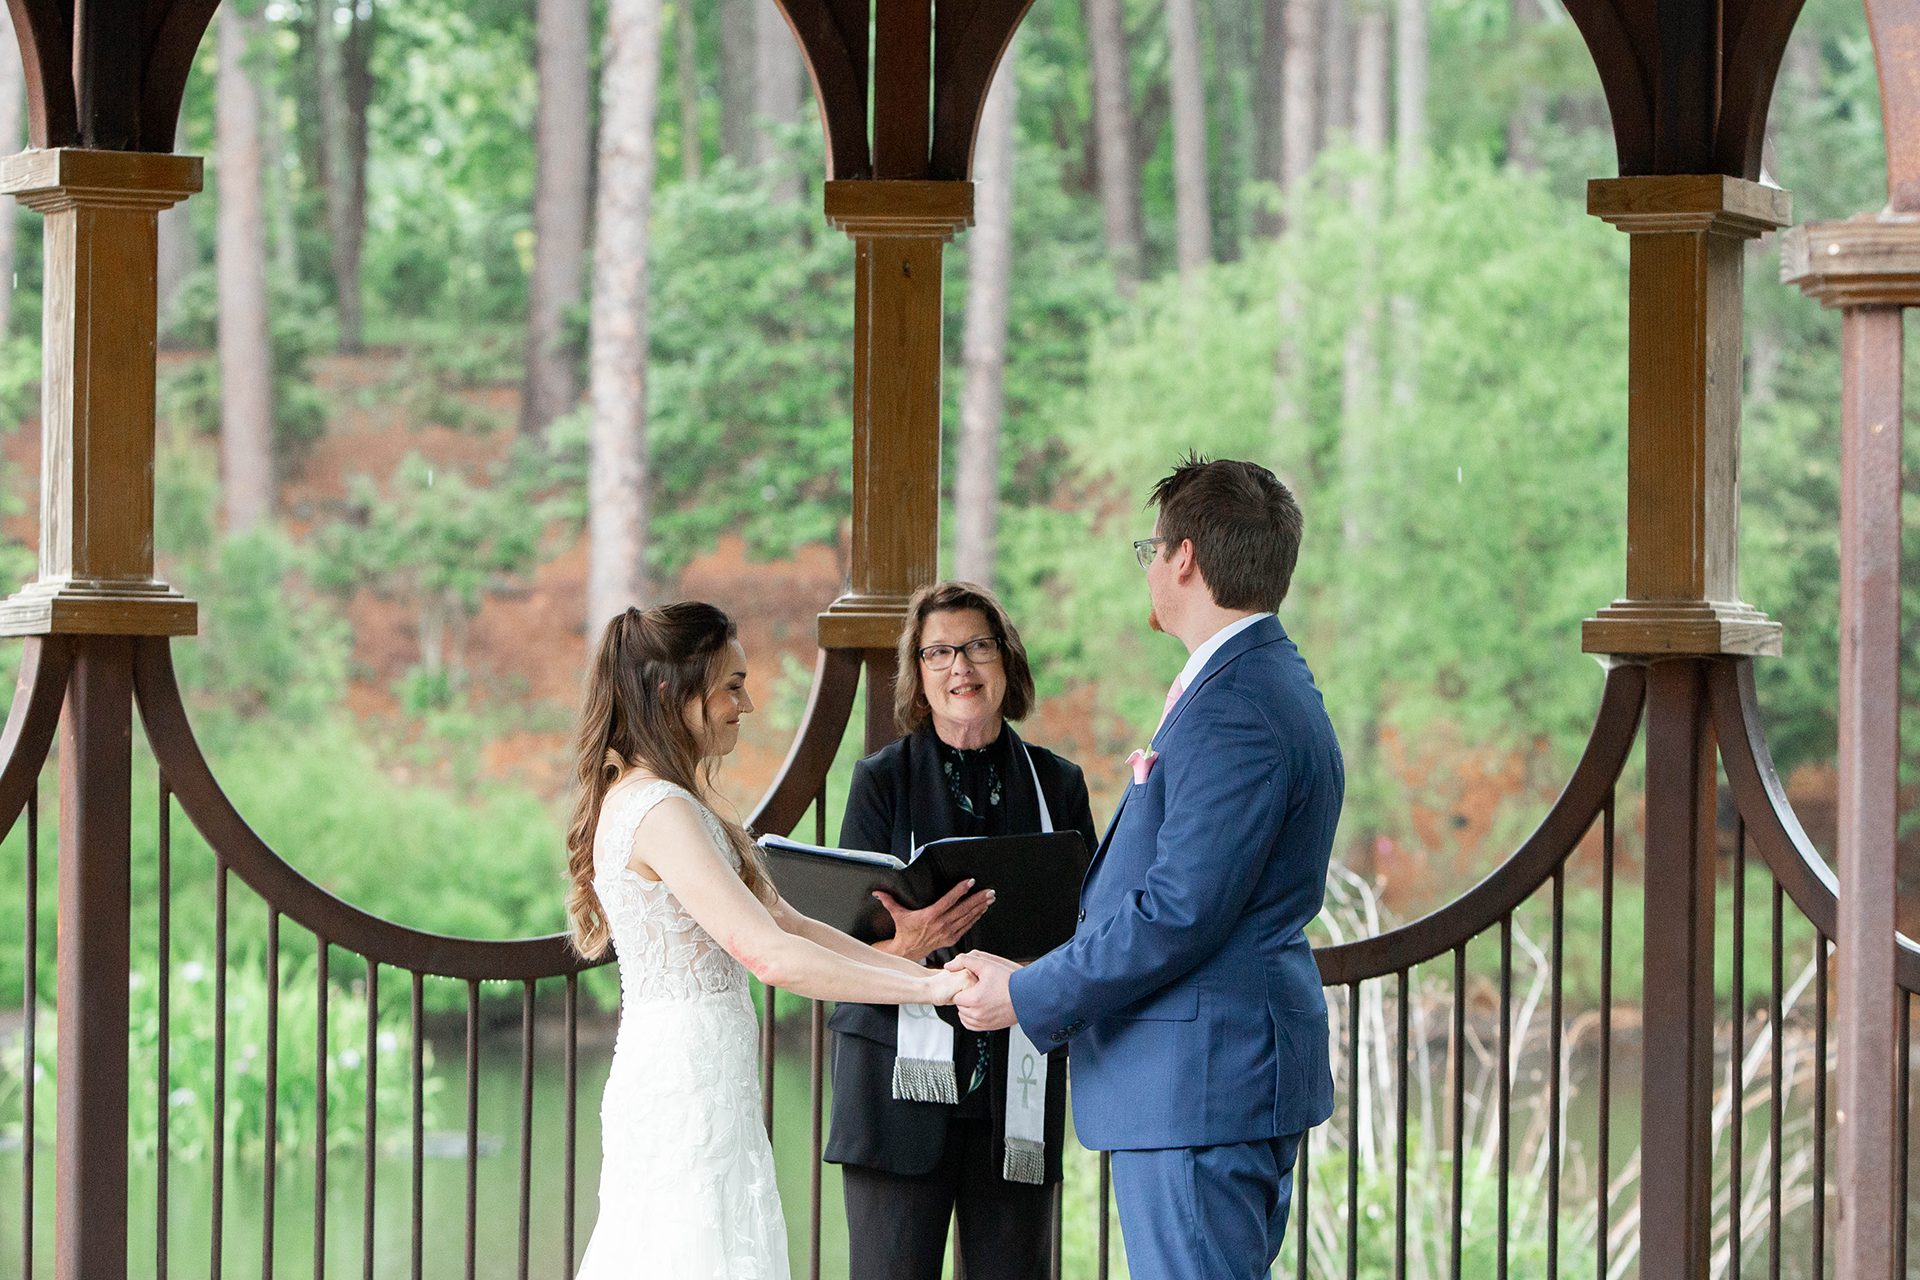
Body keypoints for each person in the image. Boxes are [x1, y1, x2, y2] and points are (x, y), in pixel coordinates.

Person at [949, 456, 1343, 1280]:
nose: (1151, 567)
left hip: (1201, 1087)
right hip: (1215, 1078)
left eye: (1150, 550)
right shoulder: (1263, 680)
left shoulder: (1236, 707)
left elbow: (1178, 910)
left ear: (1185, 560)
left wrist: (1026, 994)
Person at [564, 602, 973, 1280]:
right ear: (673, 692)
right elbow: (769, 956)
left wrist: (901, 960)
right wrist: (933, 987)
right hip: (683, 1090)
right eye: (730, 685)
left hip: (705, 1078)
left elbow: (787, 922)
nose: (745, 703)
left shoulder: (669, 800)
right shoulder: (659, 810)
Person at [826, 582, 1099, 1280]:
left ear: (1007, 661)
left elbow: (1091, 923)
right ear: (917, 674)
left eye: (978, 646)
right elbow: (834, 944)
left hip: (1018, 1083)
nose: (961, 667)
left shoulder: (1058, 785)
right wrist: (909, 947)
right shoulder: (880, 782)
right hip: (897, 1087)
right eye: (939, 651)